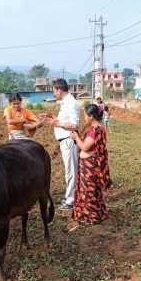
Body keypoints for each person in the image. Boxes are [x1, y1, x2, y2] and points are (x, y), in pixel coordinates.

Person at [70, 104, 112, 225]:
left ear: (91, 116)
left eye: (85, 115)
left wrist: (76, 137)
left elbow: (85, 147)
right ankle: (91, 213)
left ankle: (91, 216)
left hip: (90, 166)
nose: (84, 117)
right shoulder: (99, 128)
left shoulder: (95, 130)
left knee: (89, 190)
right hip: (90, 165)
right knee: (90, 189)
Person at [47, 78, 80, 210]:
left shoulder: (70, 103)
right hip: (65, 141)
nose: (54, 94)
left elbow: (75, 124)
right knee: (69, 170)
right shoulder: (65, 102)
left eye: (54, 91)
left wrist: (58, 123)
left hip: (68, 140)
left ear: (59, 90)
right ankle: (71, 196)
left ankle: (71, 199)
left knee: (70, 170)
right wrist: (56, 120)